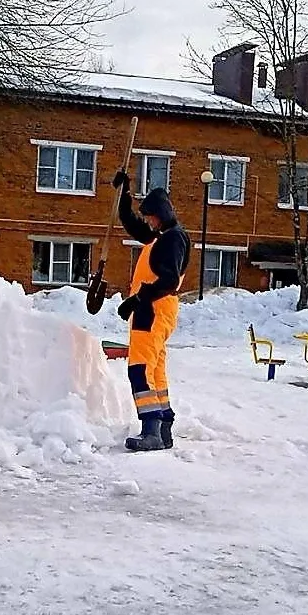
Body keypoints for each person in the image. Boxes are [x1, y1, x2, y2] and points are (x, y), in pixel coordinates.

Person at [112, 170, 190, 451]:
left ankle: (151, 431)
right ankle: (163, 427)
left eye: (152, 217)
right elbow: (133, 225)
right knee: (155, 371)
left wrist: (137, 299)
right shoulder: (162, 236)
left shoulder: (172, 239)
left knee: (139, 369)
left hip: (152, 310)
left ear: (162, 213)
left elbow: (169, 280)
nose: (149, 222)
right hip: (156, 309)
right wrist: (124, 195)